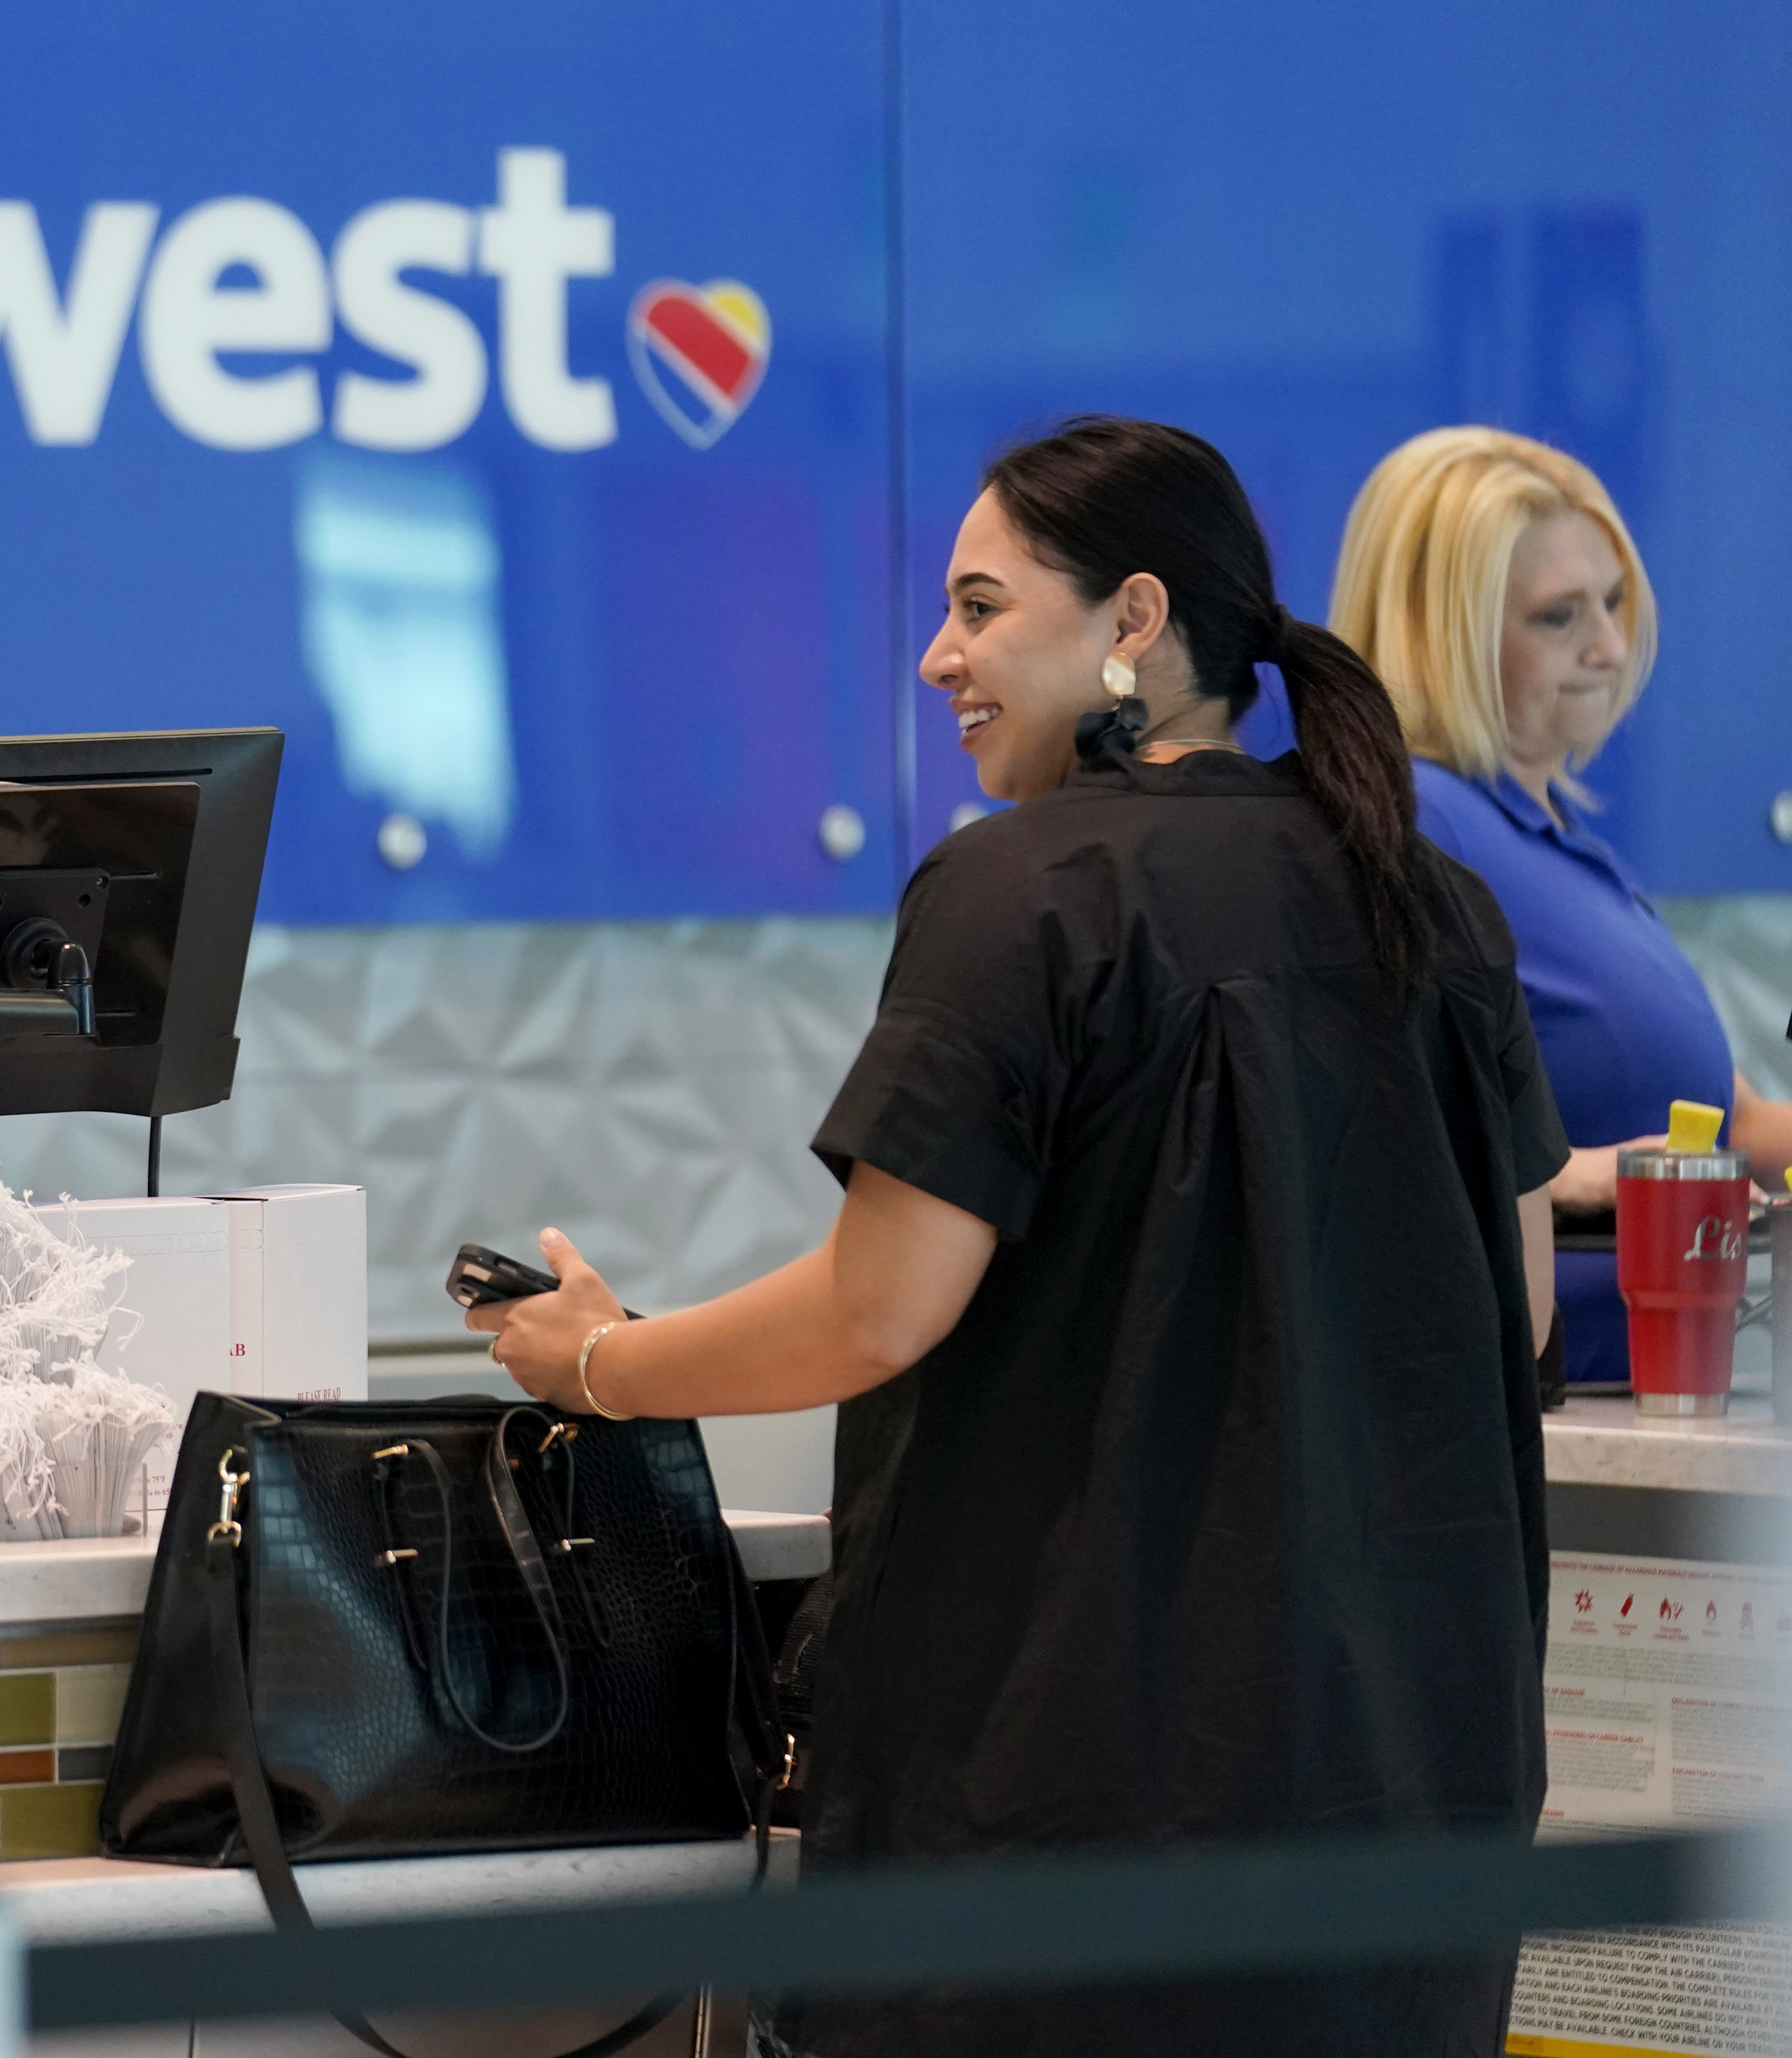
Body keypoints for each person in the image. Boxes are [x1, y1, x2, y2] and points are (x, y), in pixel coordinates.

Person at [469, 419, 1563, 2057]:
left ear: (1132, 620)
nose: (937, 656)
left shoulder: (1021, 895)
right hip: (1410, 1810)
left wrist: (603, 1366)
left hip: (1067, 1819)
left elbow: (878, 1311)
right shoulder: (1431, 900)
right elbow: (1520, 1305)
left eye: (979, 608)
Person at [1332, 425, 1792, 1387]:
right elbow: (1359, 1141)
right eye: (1559, 617)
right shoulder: (1419, 829)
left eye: (1616, 603)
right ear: (1439, 629)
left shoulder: (1559, 842)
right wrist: (1585, 1179)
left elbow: (1730, 1123)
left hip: (1654, 1388)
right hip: (1549, 1408)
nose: (1611, 647)